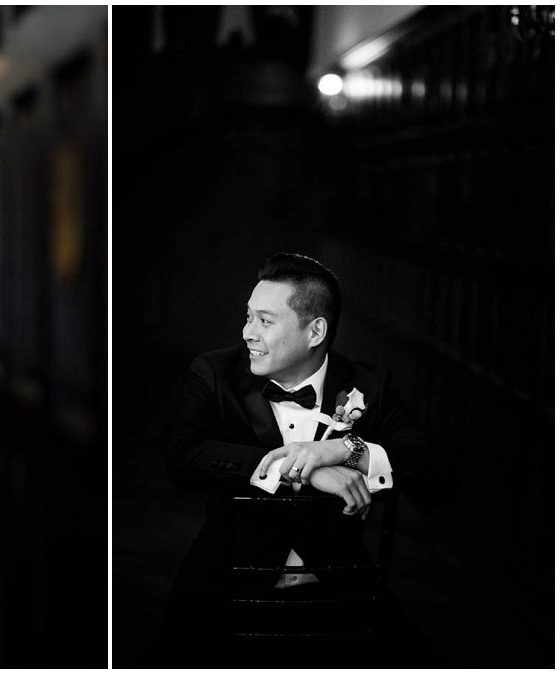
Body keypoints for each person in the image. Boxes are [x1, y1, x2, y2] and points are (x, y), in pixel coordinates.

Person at [158, 252, 434, 665]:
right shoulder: (214, 372)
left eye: (265, 321)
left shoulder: (369, 385)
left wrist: (342, 449)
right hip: (228, 581)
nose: (248, 332)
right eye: (248, 317)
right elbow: (183, 455)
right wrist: (301, 469)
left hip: (339, 584)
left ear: (315, 330)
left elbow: (429, 466)